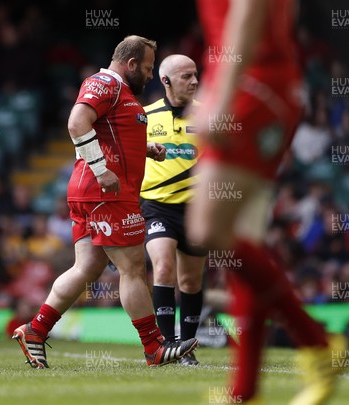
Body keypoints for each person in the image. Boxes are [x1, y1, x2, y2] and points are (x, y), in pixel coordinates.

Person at [189, 1, 348, 403]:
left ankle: (318, 341)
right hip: (256, 81)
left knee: (208, 229)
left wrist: (223, 92)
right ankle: (245, 392)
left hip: (253, 86)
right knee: (241, 242)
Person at [13, 35, 198, 369]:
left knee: (87, 267)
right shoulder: (105, 83)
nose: (150, 74)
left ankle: (35, 330)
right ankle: (154, 347)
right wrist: (101, 170)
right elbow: (76, 122)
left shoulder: (123, 94)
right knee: (132, 268)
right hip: (106, 194)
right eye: (146, 67)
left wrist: (146, 150)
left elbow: (110, 133)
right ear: (129, 64)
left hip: (95, 194)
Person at [140, 54, 206, 366]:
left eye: (196, 75)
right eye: (185, 76)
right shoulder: (145, 116)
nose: (194, 81)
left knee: (191, 282)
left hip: (196, 209)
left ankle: (188, 349)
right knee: (163, 268)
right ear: (165, 81)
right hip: (157, 206)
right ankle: (165, 345)